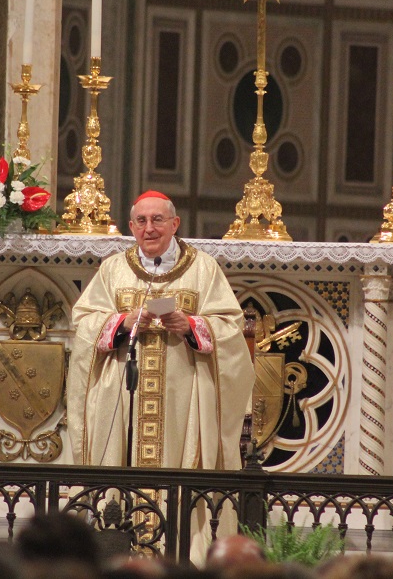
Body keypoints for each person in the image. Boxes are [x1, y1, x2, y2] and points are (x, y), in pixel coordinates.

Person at [67, 191, 255, 470]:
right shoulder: (113, 269)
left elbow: (230, 326)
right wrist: (123, 323)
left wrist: (191, 327)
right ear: (131, 227)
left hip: (183, 393)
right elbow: (84, 323)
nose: (149, 229)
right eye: (141, 221)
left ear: (175, 224)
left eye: (157, 220)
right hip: (124, 391)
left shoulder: (203, 268)